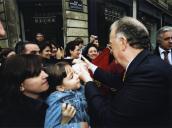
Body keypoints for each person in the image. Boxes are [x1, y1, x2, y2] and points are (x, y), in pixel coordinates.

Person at [73, 17, 172, 128]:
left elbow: (109, 120)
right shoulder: (144, 62)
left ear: (123, 42)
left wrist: (88, 81)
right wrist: (91, 67)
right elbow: (118, 81)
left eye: (111, 45)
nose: (111, 50)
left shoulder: (148, 72)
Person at [0, 54, 76, 127]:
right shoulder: (14, 116)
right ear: (20, 85)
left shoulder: (51, 94)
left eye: (42, 70)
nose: (46, 75)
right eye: (36, 74)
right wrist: (64, 122)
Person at [44, 61, 90, 128]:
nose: (77, 76)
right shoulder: (57, 99)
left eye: (75, 73)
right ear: (60, 87)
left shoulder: (81, 88)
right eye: (71, 77)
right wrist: (78, 126)